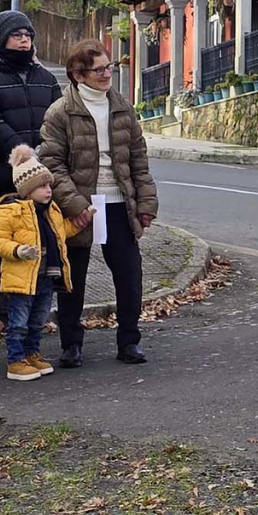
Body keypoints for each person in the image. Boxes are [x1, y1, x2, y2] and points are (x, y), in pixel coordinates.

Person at [39, 39, 159, 369]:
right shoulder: (60, 112)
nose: (107, 74)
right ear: (78, 74)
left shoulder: (122, 107)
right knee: (72, 277)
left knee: (129, 274)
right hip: (79, 206)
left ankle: (129, 341)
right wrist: (75, 205)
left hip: (119, 203)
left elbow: (138, 159)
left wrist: (146, 202)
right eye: (99, 69)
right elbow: (52, 163)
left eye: (109, 67)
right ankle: (71, 345)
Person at [0, 8, 61, 313]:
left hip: (44, 171)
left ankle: (41, 292)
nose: (23, 41)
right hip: (7, 171)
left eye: (27, 36)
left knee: (44, 232)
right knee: (9, 234)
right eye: (16, 35)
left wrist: (44, 156)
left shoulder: (46, 78)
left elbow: (57, 120)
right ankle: (3, 292)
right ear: (2, 39)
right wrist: (23, 153)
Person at [0, 144, 72, 383]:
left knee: (38, 320)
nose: (49, 191)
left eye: (49, 186)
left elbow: (61, 232)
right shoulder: (9, 211)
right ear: (27, 189)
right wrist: (17, 250)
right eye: (43, 186)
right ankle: (15, 361)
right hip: (21, 279)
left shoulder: (50, 211)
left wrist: (79, 223)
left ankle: (32, 353)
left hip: (46, 275)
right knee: (19, 322)